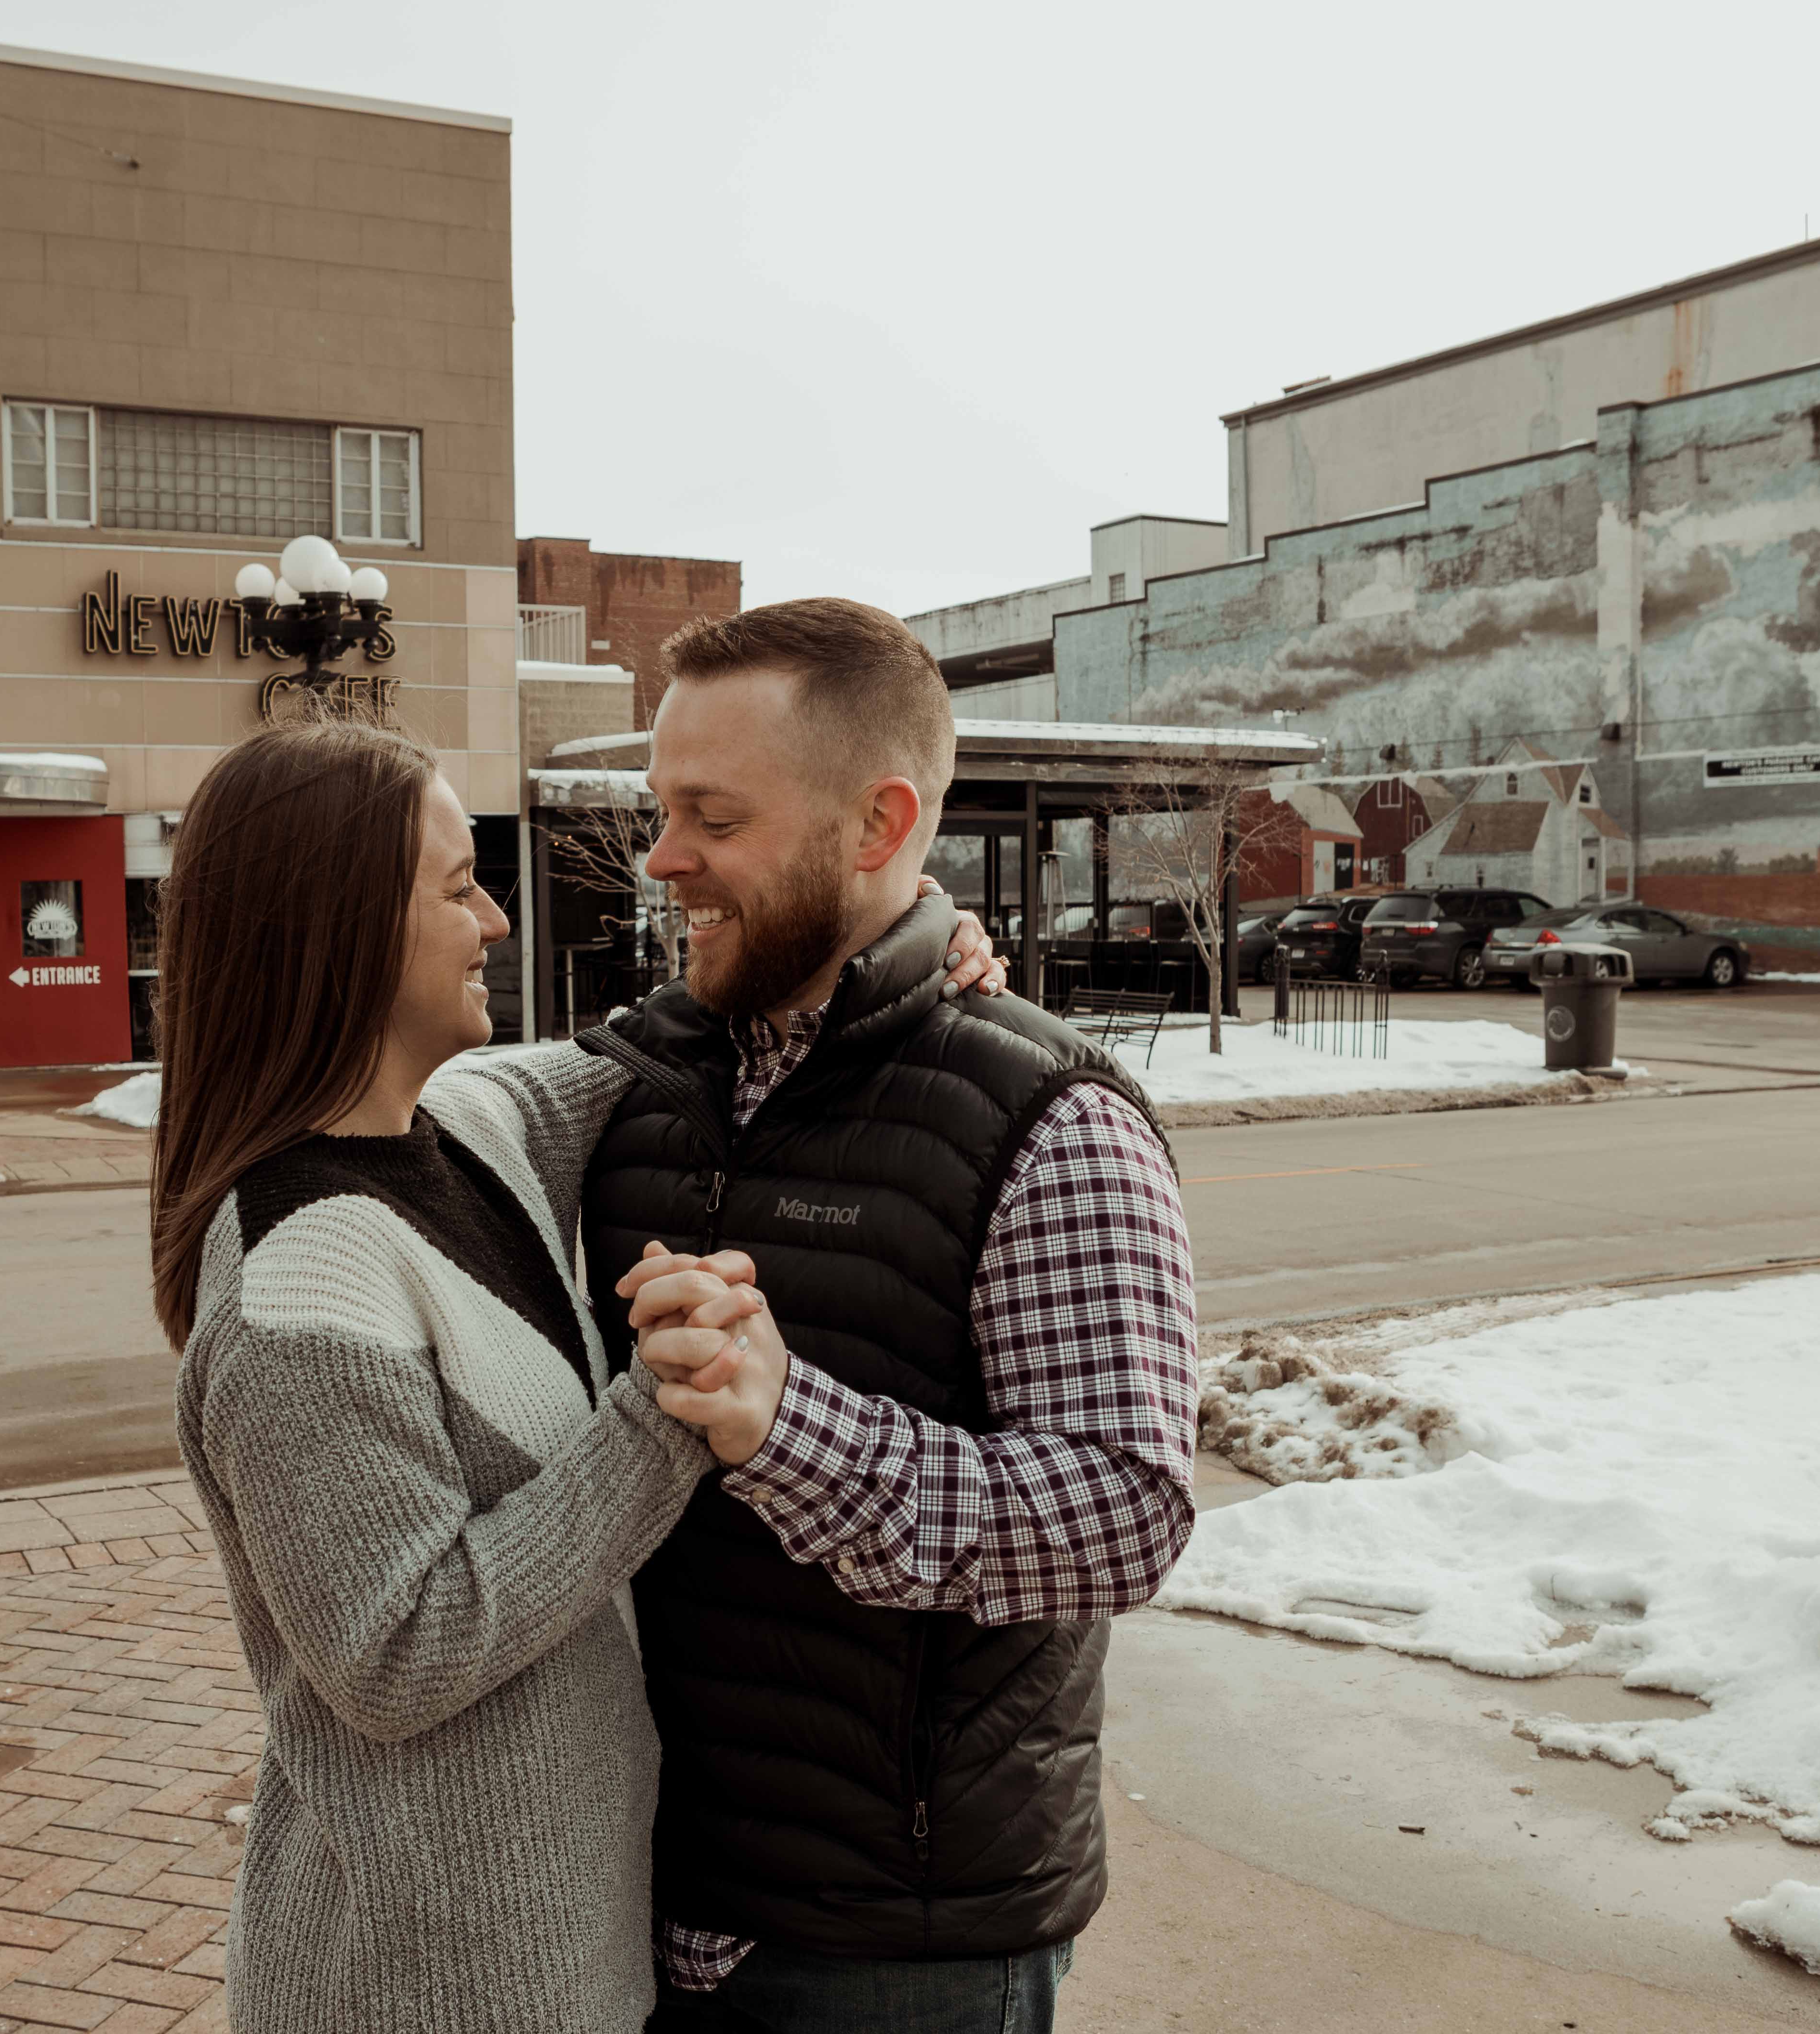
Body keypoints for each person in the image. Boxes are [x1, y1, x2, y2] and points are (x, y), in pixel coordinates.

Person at [151, 718, 1007, 2034]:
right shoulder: (298, 1282)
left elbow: (658, 1044)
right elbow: (397, 1654)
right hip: (425, 1989)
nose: (494, 919)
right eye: (456, 887)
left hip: (562, 1953)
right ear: (342, 932)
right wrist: (667, 1409)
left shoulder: (480, 1129)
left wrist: (899, 939)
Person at [582, 598, 1201, 2033]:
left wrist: (789, 1424)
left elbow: (1124, 1514)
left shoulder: (1050, 1118)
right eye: (659, 810)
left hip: (894, 1950)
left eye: (710, 818)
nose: (662, 857)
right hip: (638, 1894)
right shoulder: (637, 1079)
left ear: (877, 827)